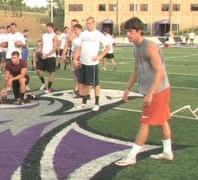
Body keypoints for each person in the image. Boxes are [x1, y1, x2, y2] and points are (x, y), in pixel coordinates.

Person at [115, 17, 173, 166]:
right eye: (127, 32)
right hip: (154, 91)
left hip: (158, 91)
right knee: (162, 121)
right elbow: (136, 70)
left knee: (145, 122)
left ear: (139, 31)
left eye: (131, 31)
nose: (128, 34)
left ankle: (132, 156)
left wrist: (150, 93)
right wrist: (127, 88)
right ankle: (167, 152)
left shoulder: (150, 46)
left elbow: (160, 71)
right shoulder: (136, 47)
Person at [73, 16, 110, 111]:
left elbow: (108, 47)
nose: (88, 25)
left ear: (94, 23)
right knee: (82, 83)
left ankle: (96, 103)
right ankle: (84, 102)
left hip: (92, 64)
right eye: (87, 23)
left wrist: (100, 56)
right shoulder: (83, 34)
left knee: (95, 84)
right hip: (83, 62)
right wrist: (75, 59)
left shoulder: (99, 34)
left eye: (89, 23)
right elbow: (79, 48)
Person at [35, 22, 59, 94]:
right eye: (47, 27)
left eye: (49, 27)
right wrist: (39, 51)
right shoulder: (44, 35)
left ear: (52, 28)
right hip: (43, 55)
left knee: (51, 72)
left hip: (51, 57)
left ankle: (49, 88)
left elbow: (54, 48)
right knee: (38, 70)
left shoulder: (55, 36)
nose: (48, 28)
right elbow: (41, 45)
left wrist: (47, 54)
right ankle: (44, 82)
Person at [62, 19, 79, 95]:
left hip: (81, 54)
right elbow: (66, 46)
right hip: (72, 53)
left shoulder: (81, 34)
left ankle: (83, 89)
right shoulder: (69, 35)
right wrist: (63, 54)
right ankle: (76, 88)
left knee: (81, 72)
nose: (73, 25)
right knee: (75, 73)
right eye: (72, 24)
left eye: (75, 24)